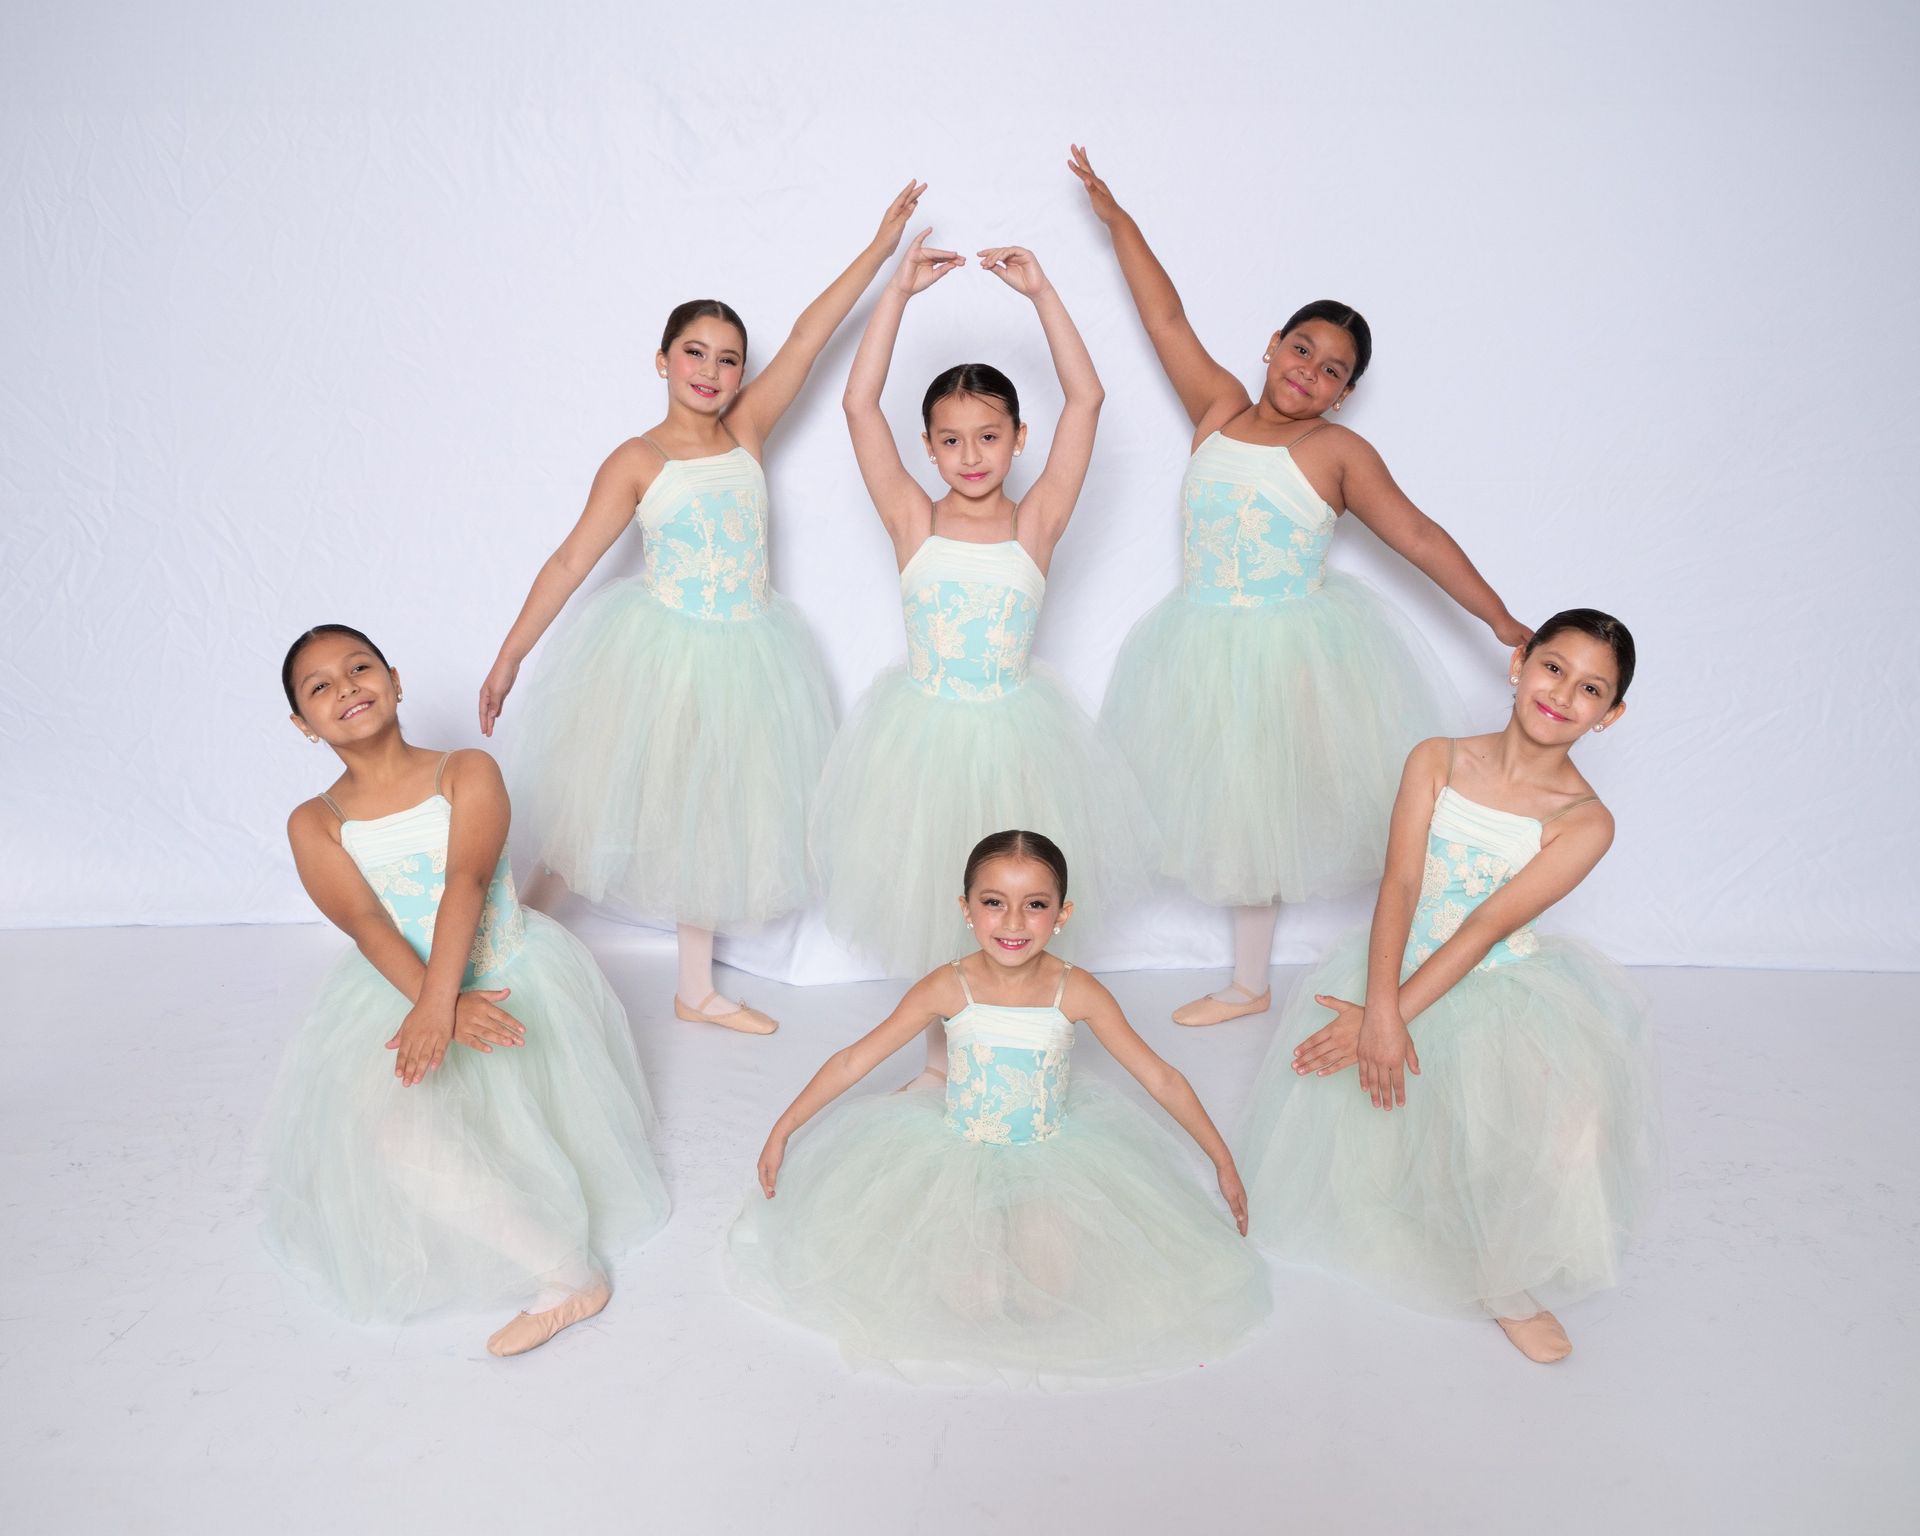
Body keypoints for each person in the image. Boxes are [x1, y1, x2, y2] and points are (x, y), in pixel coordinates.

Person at [1069, 144, 1530, 1026]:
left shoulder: (1337, 455)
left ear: (1344, 397)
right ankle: (1247, 980)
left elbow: (1422, 538)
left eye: (1331, 373)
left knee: (1266, 802)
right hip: (1200, 638)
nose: (1308, 374)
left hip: (1289, 647)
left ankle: (1278, 977)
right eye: (1302, 350)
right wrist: (1118, 217)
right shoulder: (1216, 408)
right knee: (1228, 803)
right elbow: (1164, 320)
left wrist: (1502, 618)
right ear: (1273, 344)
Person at [481, 182, 928, 1033]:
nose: (711, 372)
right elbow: (572, 558)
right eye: (694, 353)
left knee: (710, 813)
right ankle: (509, 937)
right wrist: (510, 654)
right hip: (662, 650)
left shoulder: (748, 431)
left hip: (745, 651)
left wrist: (879, 252)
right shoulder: (638, 459)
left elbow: (808, 336)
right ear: (662, 360)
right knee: (599, 806)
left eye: (728, 359)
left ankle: (696, 990)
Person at [1238, 610, 1660, 1362]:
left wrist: (1386, 1019)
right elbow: (1400, 884)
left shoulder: (1586, 822)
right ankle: (1397, 1201)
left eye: (1592, 689)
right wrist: (1376, 1005)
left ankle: (1505, 1278)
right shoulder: (1435, 759)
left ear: (1611, 715)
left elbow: (1484, 926)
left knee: (1542, 1122)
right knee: (1382, 1124)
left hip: (1494, 978)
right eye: (1553, 667)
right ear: (1519, 663)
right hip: (1392, 960)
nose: (1563, 694)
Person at [729, 830, 1267, 1385]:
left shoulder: (1077, 991)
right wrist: (784, 1128)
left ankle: (1028, 1218)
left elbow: (1161, 1077)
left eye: (1035, 905)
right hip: (958, 1150)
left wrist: (1222, 1161)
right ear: (966, 909)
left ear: (1062, 913)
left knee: (1041, 1304)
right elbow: (852, 1061)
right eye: (994, 903)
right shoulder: (947, 986)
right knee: (972, 1306)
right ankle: (976, 1225)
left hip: (1050, 1152)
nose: (1013, 924)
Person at [264, 625, 669, 1355]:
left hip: (508, 975)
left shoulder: (466, 772)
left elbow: (466, 882)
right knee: (392, 1131)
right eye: (319, 686)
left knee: (525, 1109)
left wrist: (442, 1003)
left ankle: (569, 1277)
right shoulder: (314, 823)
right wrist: (433, 1006)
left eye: (359, 668)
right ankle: (548, 1258)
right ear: (302, 724)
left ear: (394, 676)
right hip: (403, 989)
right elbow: (364, 922)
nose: (346, 687)